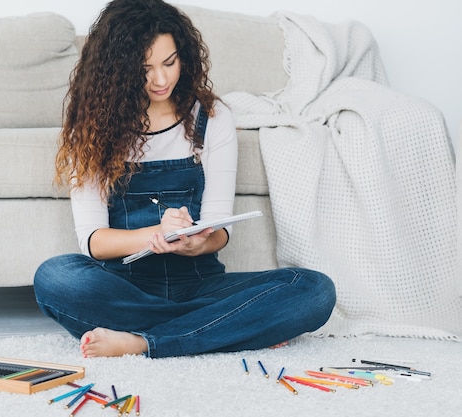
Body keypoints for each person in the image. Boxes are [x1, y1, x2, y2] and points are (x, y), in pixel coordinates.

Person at [33, 0, 336, 359]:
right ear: (117, 69)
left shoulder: (212, 117)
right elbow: (94, 241)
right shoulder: (93, 126)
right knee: (54, 277)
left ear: (184, 56)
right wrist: (154, 236)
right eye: (144, 69)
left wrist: (195, 242)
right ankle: (224, 328)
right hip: (124, 287)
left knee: (315, 290)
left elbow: (220, 230)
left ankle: (143, 340)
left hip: (199, 284)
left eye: (169, 62)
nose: (161, 80)